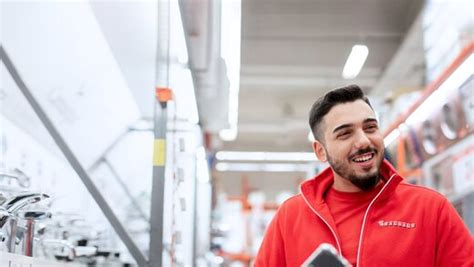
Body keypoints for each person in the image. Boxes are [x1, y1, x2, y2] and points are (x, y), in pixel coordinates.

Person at [254, 85, 473, 267]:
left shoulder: (430, 208)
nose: (363, 141)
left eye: (370, 127)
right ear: (321, 151)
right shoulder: (291, 217)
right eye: (345, 134)